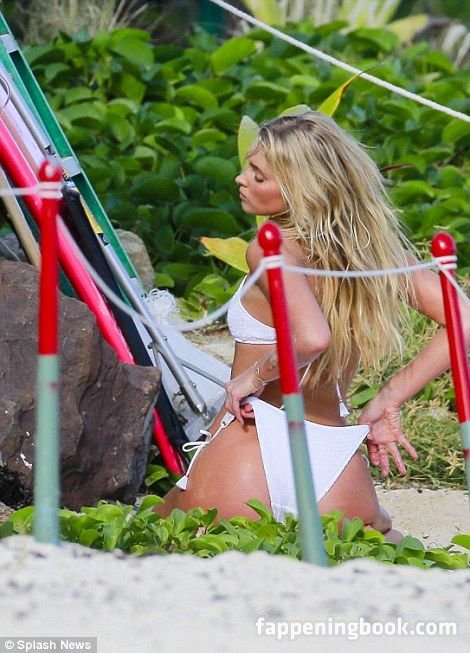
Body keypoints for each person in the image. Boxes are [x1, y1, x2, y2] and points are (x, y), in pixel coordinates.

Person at [155, 110, 470, 541]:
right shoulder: (371, 254)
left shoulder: (270, 248)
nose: (241, 180)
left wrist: (254, 375)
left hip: (252, 443)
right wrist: (388, 398)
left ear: (298, 189)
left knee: (157, 535)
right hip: (330, 460)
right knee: (377, 551)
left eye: (258, 175)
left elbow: (312, 338)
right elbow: (462, 319)